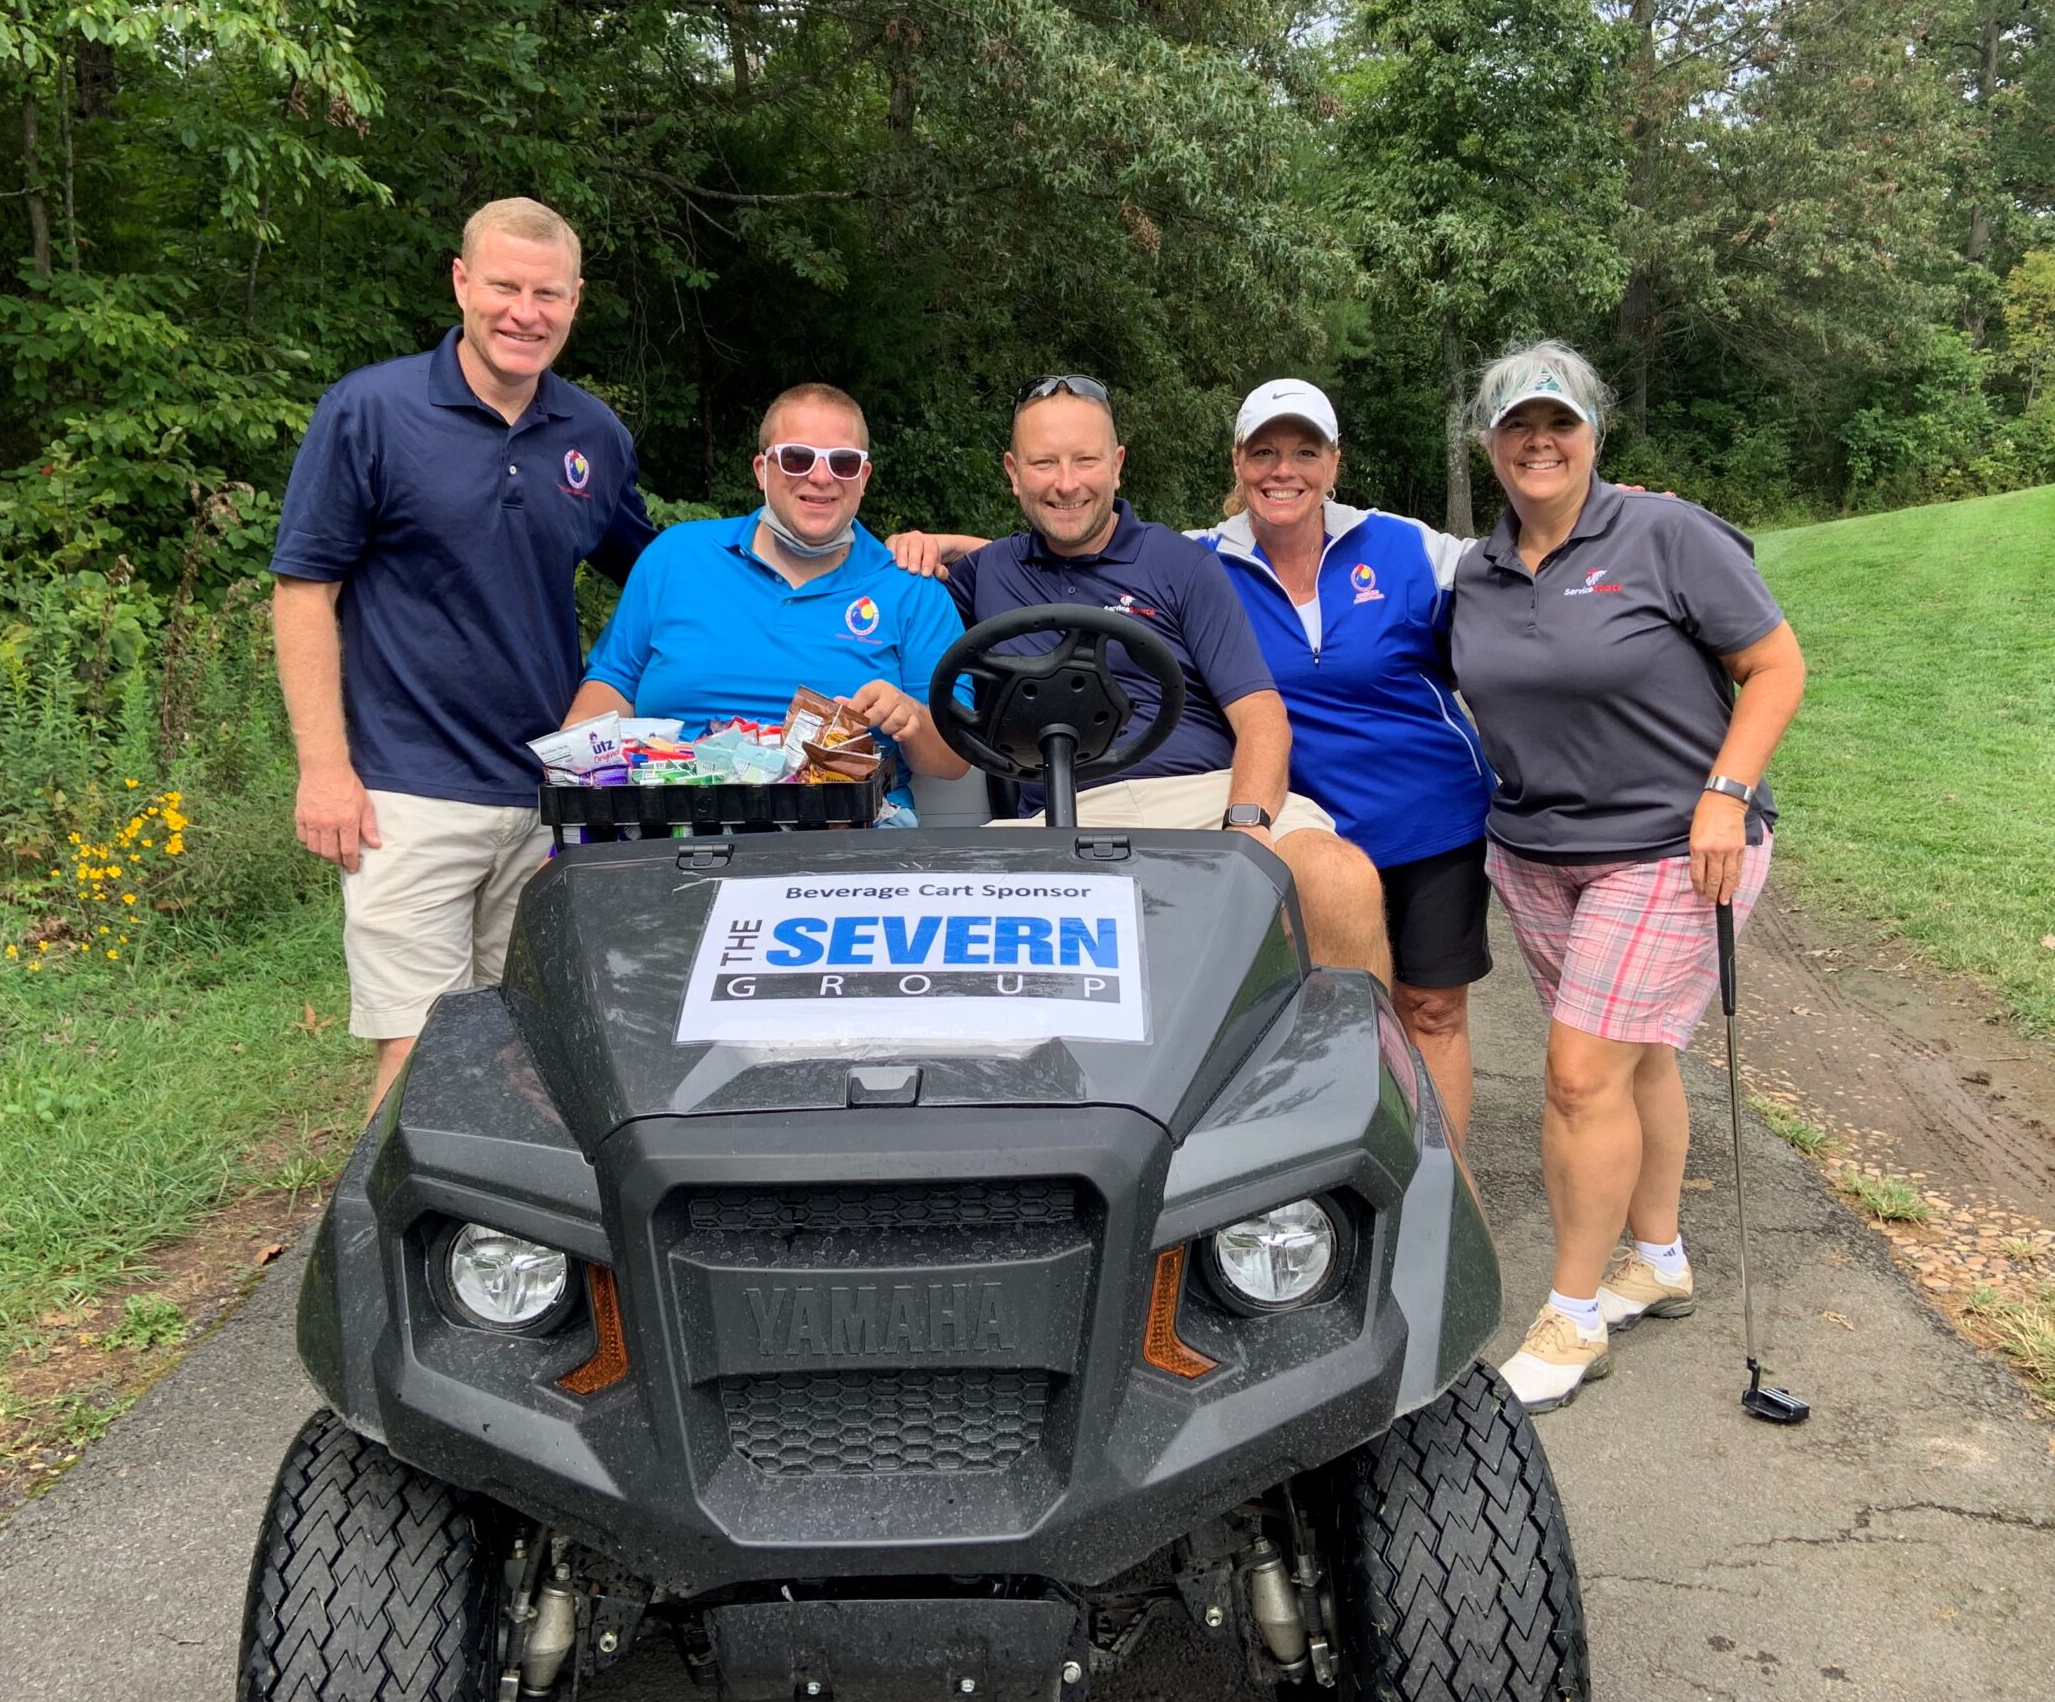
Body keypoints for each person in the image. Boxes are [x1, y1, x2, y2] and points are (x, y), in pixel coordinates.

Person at [1444, 341, 1806, 1414]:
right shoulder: (1474, 569)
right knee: (1633, 1060)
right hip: (1537, 852)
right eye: (1517, 426)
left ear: (1594, 434)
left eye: (1559, 423)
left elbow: (1775, 666)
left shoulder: (1665, 532)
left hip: (1677, 845)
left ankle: (1573, 1316)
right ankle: (1655, 1255)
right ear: (1490, 442)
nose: (1538, 442)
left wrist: (1726, 794)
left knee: (1576, 1076)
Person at [272, 198, 657, 1115]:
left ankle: (505, 1257)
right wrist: (324, 770)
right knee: (421, 1050)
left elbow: (657, 579)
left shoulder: (592, 436)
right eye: (505, 287)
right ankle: (389, 1254)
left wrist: (838, 557)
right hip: (404, 793)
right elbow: (302, 594)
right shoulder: (370, 410)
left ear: (575, 302)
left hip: (544, 796)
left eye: (547, 294)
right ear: (461, 282)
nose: (525, 312)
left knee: (528, 1042)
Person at [892, 376, 1392, 980]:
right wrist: (919, 545)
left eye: (1086, 460)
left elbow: (1260, 714)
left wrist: (1247, 827)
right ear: (1013, 471)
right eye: (1044, 463)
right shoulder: (984, 574)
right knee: (932, 913)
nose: (1067, 482)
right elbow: (889, 592)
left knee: (1339, 878)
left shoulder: (1182, 565)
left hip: (1206, 800)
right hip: (1060, 812)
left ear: (1118, 465)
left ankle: (1347, 1070)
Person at [1189, 378, 1499, 1148]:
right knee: (1333, 1019)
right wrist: (950, 550)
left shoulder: (1402, 545)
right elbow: (1097, 553)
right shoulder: (1197, 563)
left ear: (1334, 463)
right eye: (1264, 451)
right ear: (1238, 462)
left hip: (1431, 822)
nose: (1282, 469)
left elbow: (1527, 564)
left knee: (1431, 1011)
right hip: (1308, 836)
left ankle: (1441, 1187)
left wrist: (1616, 516)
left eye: (1304, 451)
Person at [562, 383, 969, 800]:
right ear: (762, 470)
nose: (821, 477)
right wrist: (567, 780)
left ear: (863, 478)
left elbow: (954, 761)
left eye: (843, 463)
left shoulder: (911, 588)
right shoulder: (676, 556)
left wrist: (913, 716)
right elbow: (613, 684)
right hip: (676, 827)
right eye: (797, 458)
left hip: (850, 835)